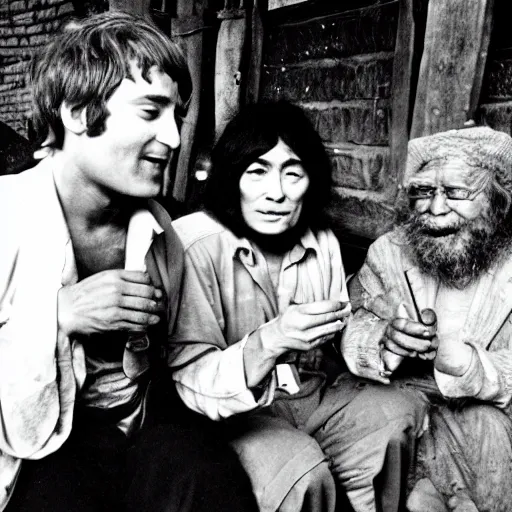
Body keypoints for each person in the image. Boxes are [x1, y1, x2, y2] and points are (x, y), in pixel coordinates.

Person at [0, 12, 257, 512]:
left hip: (136, 433)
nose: (175, 140)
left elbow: (185, 363)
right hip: (29, 455)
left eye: (177, 117)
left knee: (206, 474)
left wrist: (263, 350)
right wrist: (60, 316)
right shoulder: (4, 218)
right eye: (150, 111)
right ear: (77, 114)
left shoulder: (163, 232)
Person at [169, 101, 426, 512]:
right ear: (231, 178)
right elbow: (188, 376)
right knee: (298, 471)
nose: (276, 193)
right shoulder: (192, 245)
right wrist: (269, 341)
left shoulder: (320, 239)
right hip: (231, 415)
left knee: (396, 413)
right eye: (256, 172)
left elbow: (341, 326)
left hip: (309, 394)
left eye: (293, 173)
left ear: (311, 181)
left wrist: (382, 342)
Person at [342, 126, 512, 512]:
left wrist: (474, 368)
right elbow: (354, 319)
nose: (435, 209)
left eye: (456, 193)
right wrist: (381, 340)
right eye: (424, 193)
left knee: (487, 431)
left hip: (494, 424)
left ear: (496, 202)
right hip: (409, 411)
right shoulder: (390, 251)